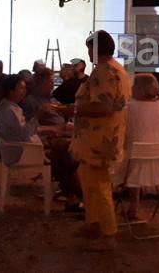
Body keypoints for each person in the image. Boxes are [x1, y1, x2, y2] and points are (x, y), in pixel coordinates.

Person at [64, 30, 130, 251]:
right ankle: (93, 223)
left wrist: (71, 110)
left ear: (94, 49)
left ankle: (108, 233)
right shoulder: (118, 69)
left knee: (99, 186)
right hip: (104, 136)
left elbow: (103, 107)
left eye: (89, 48)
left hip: (99, 139)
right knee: (89, 181)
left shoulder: (104, 71)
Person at [0, 74, 81, 211]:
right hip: (23, 151)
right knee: (63, 154)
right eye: (21, 88)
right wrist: (38, 117)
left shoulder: (9, 108)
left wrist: (51, 129)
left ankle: (73, 195)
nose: (24, 91)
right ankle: (76, 194)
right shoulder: (10, 111)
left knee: (64, 152)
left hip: (26, 147)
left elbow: (25, 130)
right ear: (11, 90)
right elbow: (25, 133)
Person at [118, 74, 159, 220]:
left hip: (131, 169)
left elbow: (122, 138)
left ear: (138, 88)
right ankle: (134, 205)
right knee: (135, 156)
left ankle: (128, 205)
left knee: (123, 157)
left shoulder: (129, 109)